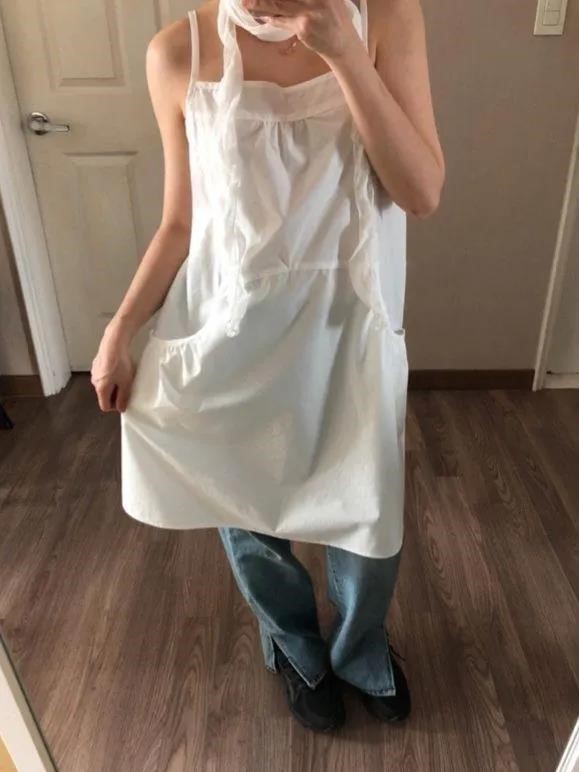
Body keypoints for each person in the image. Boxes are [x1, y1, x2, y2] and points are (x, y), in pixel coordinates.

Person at [91, 0, 444, 733]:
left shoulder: (384, 18)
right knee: (246, 509)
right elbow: (181, 222)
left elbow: (420, 192)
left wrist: (344, 53)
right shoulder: (178, 51)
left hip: (350, 332)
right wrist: (120, 327)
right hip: (230, 336)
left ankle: (359, 647)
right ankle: (292, 644)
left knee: (365, 512)